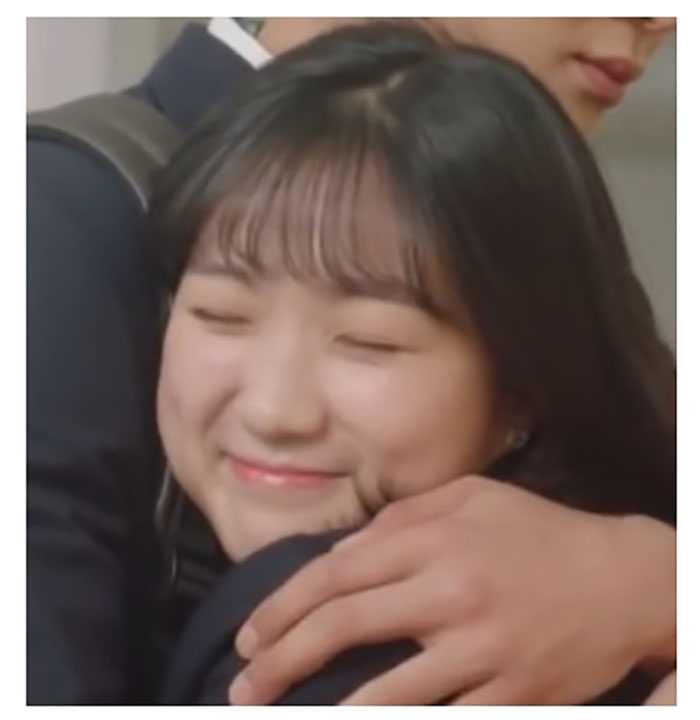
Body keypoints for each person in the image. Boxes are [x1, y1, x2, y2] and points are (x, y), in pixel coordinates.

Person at [26, 17, 676, 704]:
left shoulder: (385, 636)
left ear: (523, 391)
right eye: (221, 315)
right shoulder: (66, 210)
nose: (274, 411)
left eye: (372, 342)